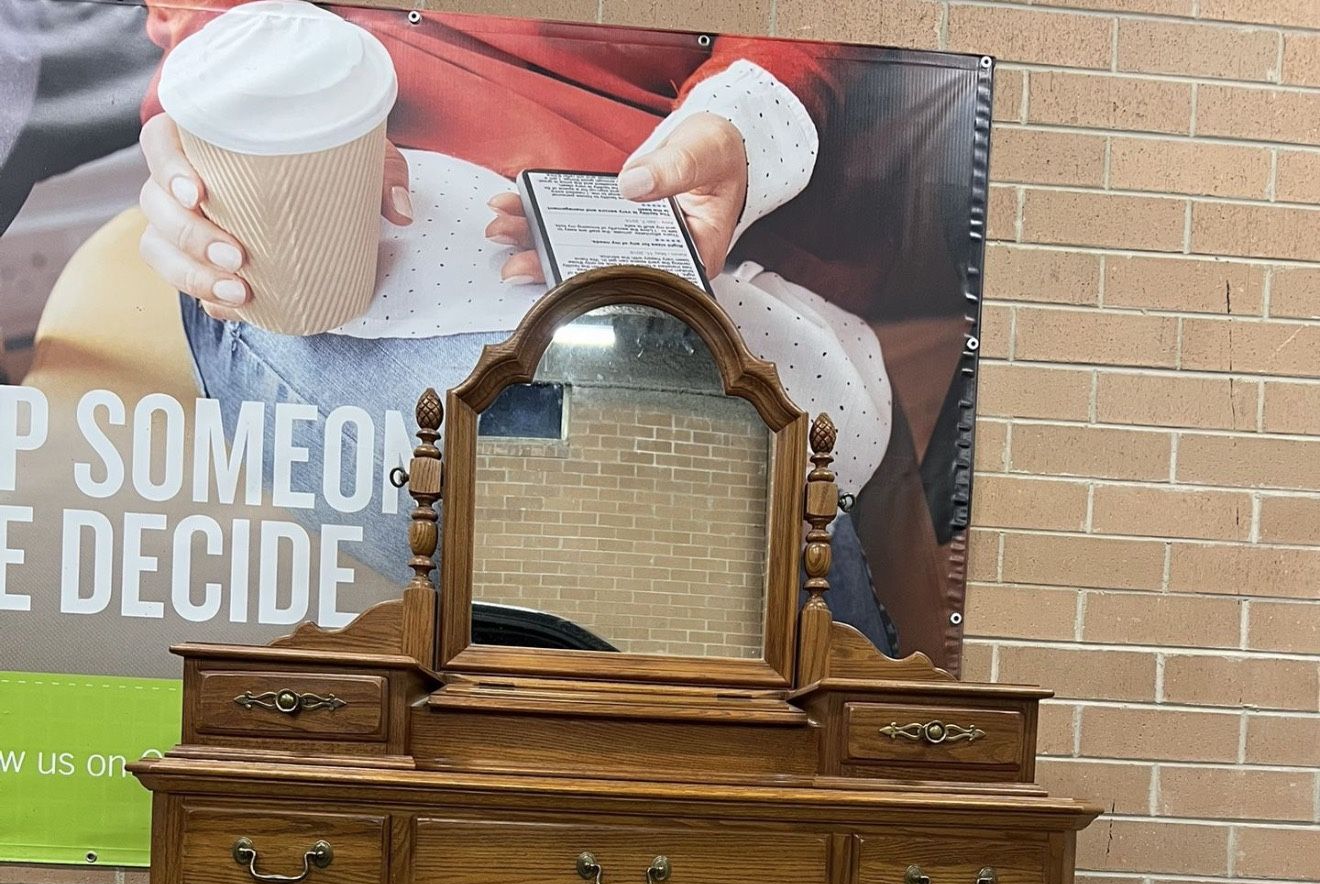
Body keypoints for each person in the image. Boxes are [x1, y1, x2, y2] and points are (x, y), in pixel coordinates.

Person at [136, 5, 936, 650]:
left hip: (656, 179)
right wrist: (227, 117)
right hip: (340, 187)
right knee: (668, 516)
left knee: (728, 510)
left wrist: (743, 121)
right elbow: (208, 16)